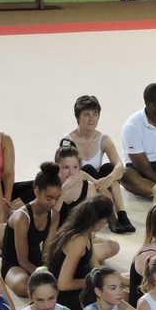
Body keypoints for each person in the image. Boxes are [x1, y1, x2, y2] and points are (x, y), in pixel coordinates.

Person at [62, 95, 134, 233]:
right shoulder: (68, 141)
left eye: (95, 114)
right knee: (88, 168)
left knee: (109, 168)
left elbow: (119, 166)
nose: (92, 119)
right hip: (81, 186)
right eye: (86, 115)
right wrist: (96, 182)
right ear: (77, 117)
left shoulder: (103, 138)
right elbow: (69, 170)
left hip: (99, 186)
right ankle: (111, 216)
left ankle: (122, 214)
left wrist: (109, 179)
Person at [1, 162, 62, 299]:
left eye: (57, 198)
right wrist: (44, 275)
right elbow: (22, 260)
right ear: (37, 192)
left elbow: (47, 251)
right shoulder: (22, 217)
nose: (53, 203)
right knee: (24, 287)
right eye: (49, 198)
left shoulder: (54, 215)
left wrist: (47, 268)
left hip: (36, 260)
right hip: (14, 264)